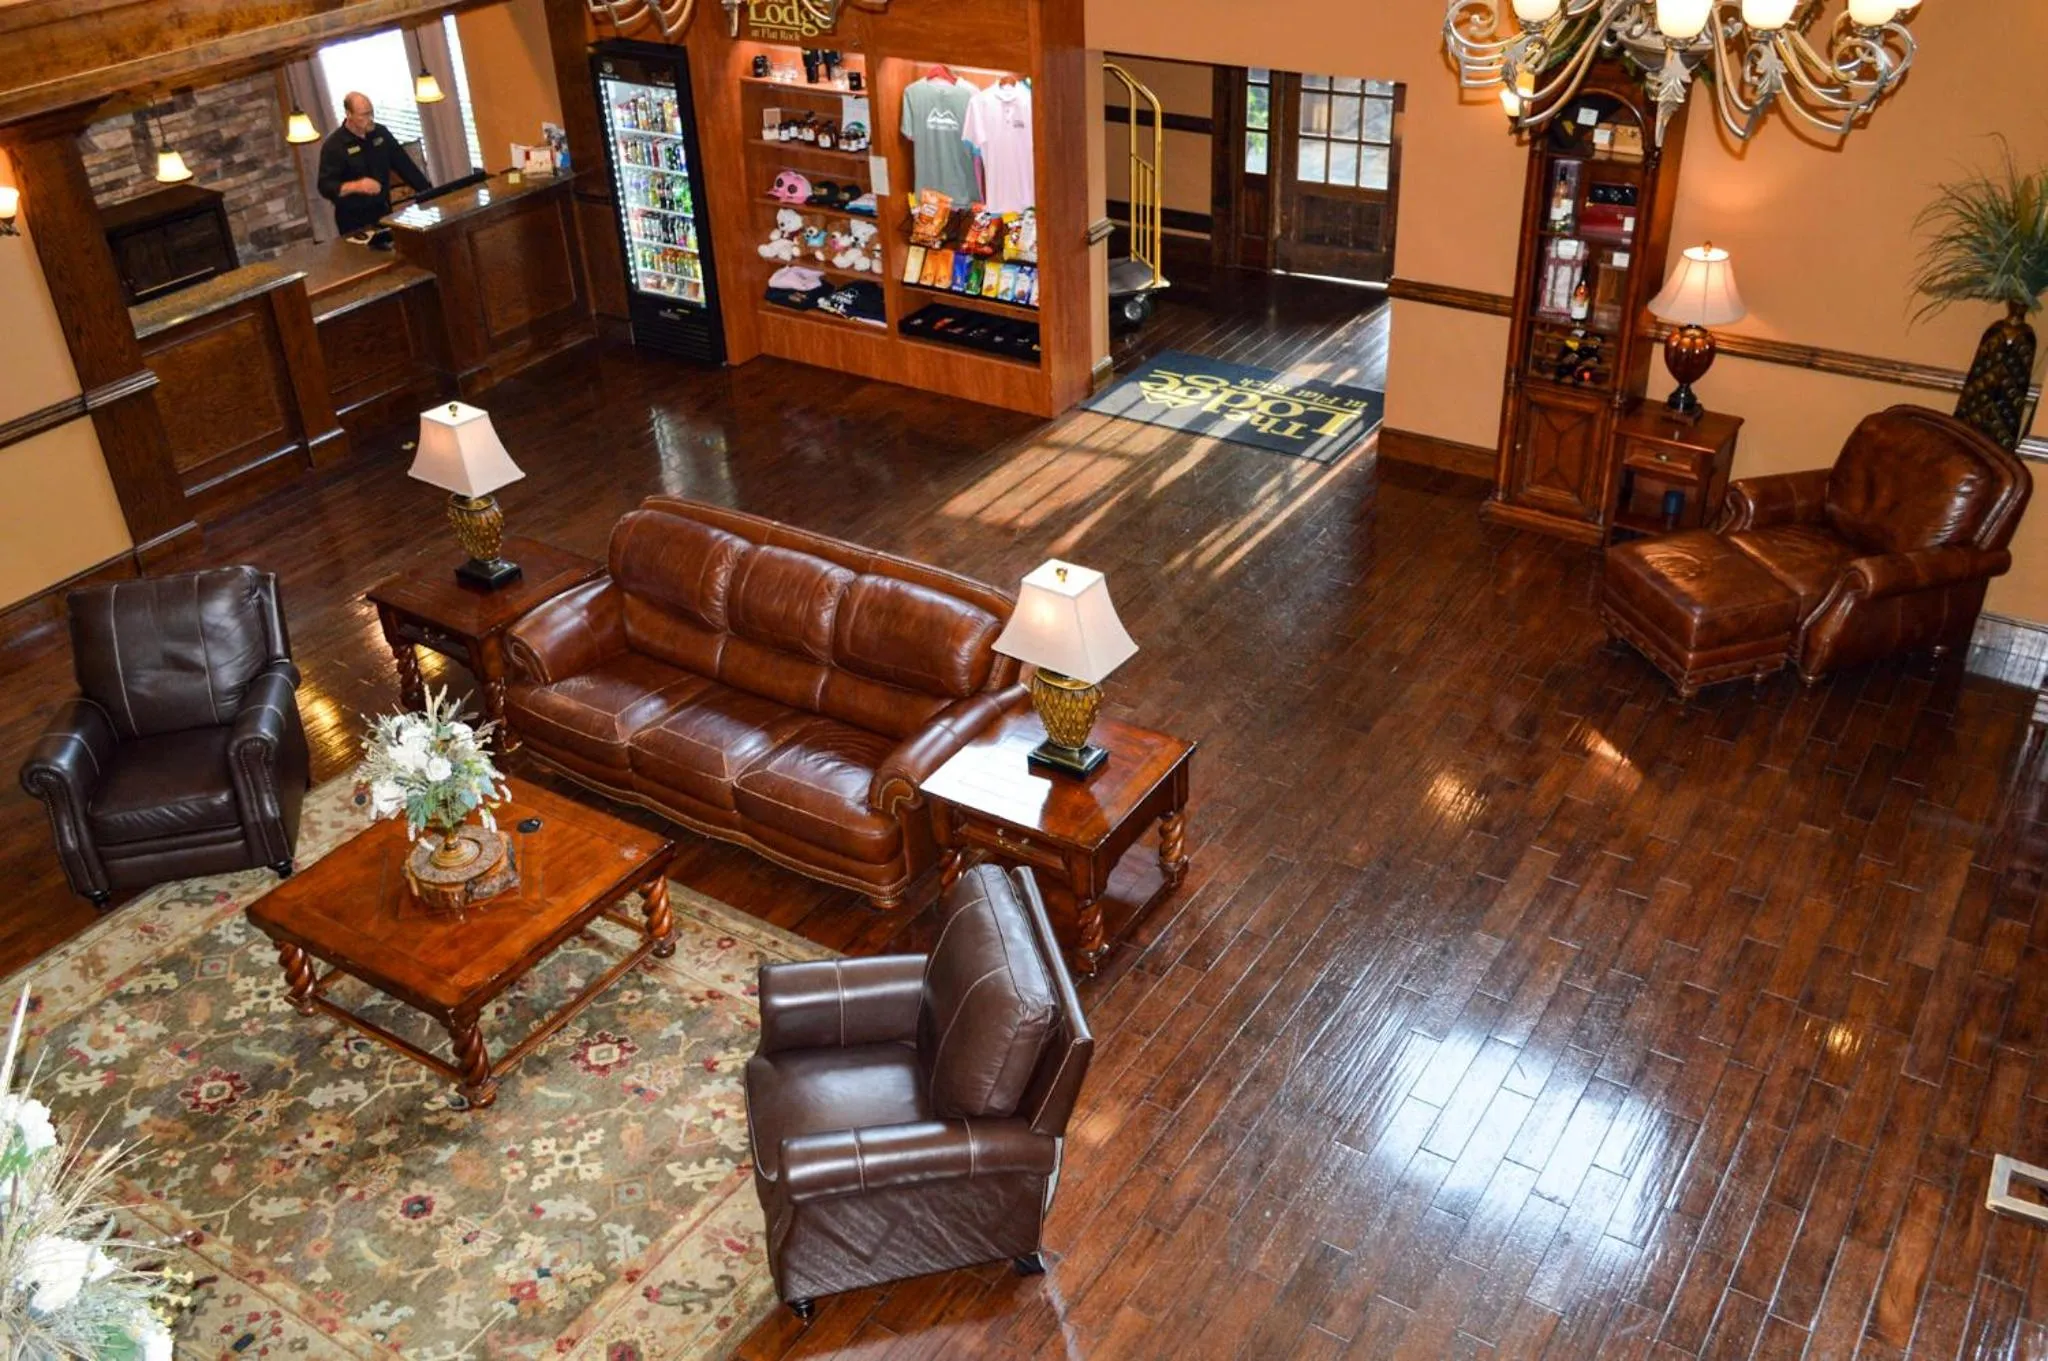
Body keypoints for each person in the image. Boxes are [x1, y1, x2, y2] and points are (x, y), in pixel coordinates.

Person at [316, 92, 432, 235]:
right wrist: (357, 186)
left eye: (371, 113)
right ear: (348, 114)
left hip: (384, 212)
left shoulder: (380, 133)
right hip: (354, 220)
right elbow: (325, 186)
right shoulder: (334, 146)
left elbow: (405, 166)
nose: (370, 119)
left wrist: (430, 194)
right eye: (363, 115)